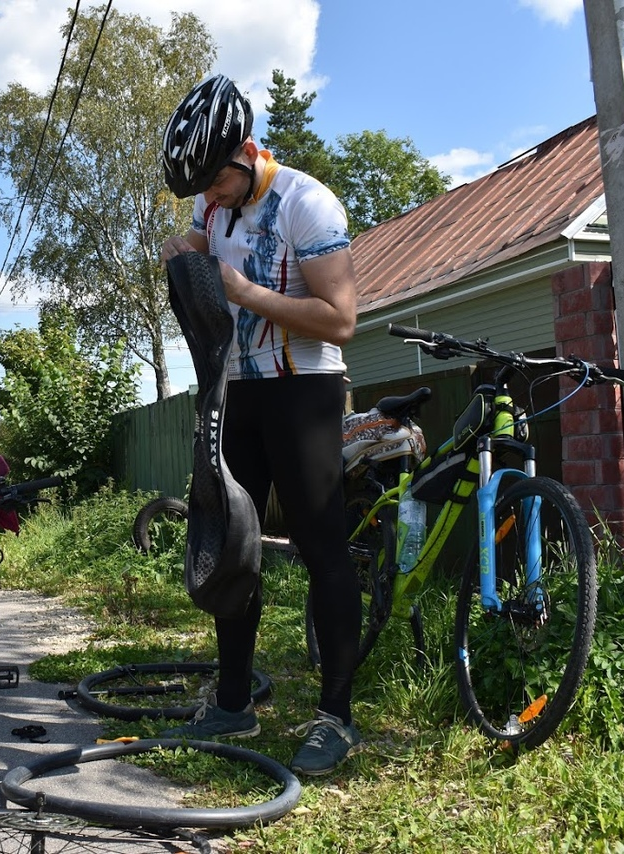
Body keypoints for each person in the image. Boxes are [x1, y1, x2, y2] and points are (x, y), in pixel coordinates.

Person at [158, 74, 362, 776]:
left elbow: (342, 320)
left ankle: (336, 718)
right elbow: (206, 238)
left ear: (248, 153)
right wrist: (185, 251)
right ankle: (235, 699)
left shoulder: (308, 202)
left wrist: (250, 295)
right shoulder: (216, 209)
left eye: (215, 184)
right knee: (232, 540)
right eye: (202, 195)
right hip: (235, 391)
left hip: (303, 388)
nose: (208, 202)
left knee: (320, 546)